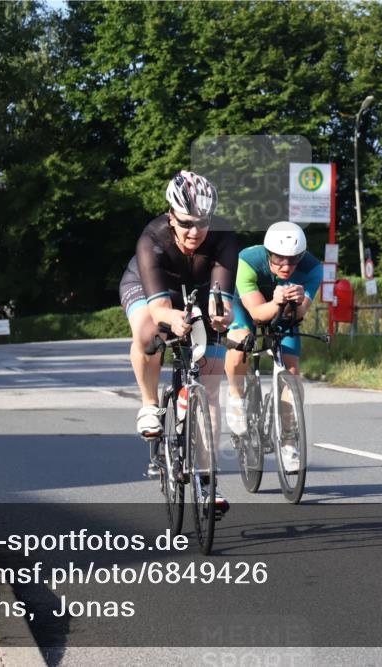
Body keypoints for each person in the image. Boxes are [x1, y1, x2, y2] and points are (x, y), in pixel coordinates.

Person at [119, 170, 236, 515]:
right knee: (147, 332)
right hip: (150, 286)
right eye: (185, 223)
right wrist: (176, 320)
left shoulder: (225, 238)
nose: (194, 232)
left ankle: (206, 480)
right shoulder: (151, 238)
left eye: (202, 223)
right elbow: (158, 310)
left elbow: (222, 300)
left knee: (211, 386)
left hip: (198, 287)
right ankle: (149, 404)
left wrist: (220, 316)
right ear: (171, 215)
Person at [224, 221, 323, 472]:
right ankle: (235, 397)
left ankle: (289, 442)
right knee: (240, 345)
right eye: (280, 260)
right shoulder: (247, 261)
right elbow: (257, 313)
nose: (287, 266)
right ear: (269, 253)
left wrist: (296, 302)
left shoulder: (312, 268)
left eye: (293, 260)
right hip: (245, 305)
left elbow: (299, 314)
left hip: (285, 313)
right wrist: (277, 299)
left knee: (292, 371)